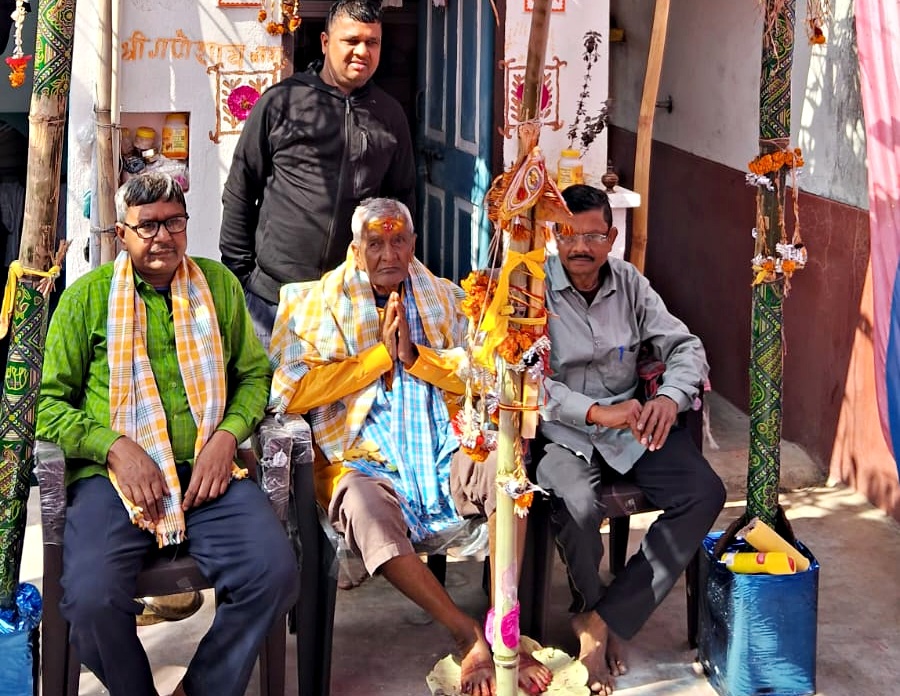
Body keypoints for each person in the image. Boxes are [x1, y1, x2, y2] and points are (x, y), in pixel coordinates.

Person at [268, 197, 552, 696]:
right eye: (375, 243)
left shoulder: (443, 295)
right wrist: (378, 357)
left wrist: (414, 355)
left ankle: (503, 627)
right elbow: (288, 393)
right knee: (364, 511)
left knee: (507, 473)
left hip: (443, 448)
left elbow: (480, 372)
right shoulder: (310, 305)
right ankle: (464, 633)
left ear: (413, 243)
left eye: (398, 241)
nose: (389, 254)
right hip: (362, 459)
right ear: (356, 250)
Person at [36, 172, 298, 696]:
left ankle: (200, 689)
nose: (162, 237)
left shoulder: (217, 285)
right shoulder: (86, 298)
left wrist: (227, 437)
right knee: (90, 599)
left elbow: (254, 376)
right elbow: (47, 407)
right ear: (121, 233)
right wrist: (114, 447)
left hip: (207, 473)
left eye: (174, 222)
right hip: (115, 484)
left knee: (274, 572)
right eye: (148, 225)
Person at [536, 184, 726, 695]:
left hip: (633, 429)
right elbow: (525, 380)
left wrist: (671, 397)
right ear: (554, 235)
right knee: (577, 505)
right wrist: (598, 412)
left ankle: (602, 621)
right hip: (565, 432)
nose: (581, 247)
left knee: (703, 492)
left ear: (612, 237)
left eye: (594, 235)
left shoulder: (630, 283)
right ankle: (592, 608)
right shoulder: (531, 284)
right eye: (569, 234)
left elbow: (686, 346)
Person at [220, 0, 416, 346]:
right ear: (325, 42)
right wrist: (240, 276)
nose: (362, 51)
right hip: (273, 301)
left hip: (351, 303)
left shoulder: (389, 114)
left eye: (372, 42)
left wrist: (390, 274)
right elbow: (241, 188)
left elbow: (401, 200)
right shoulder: (281, 103)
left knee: (348, 385)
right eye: (351, 40)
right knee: (268, 383)